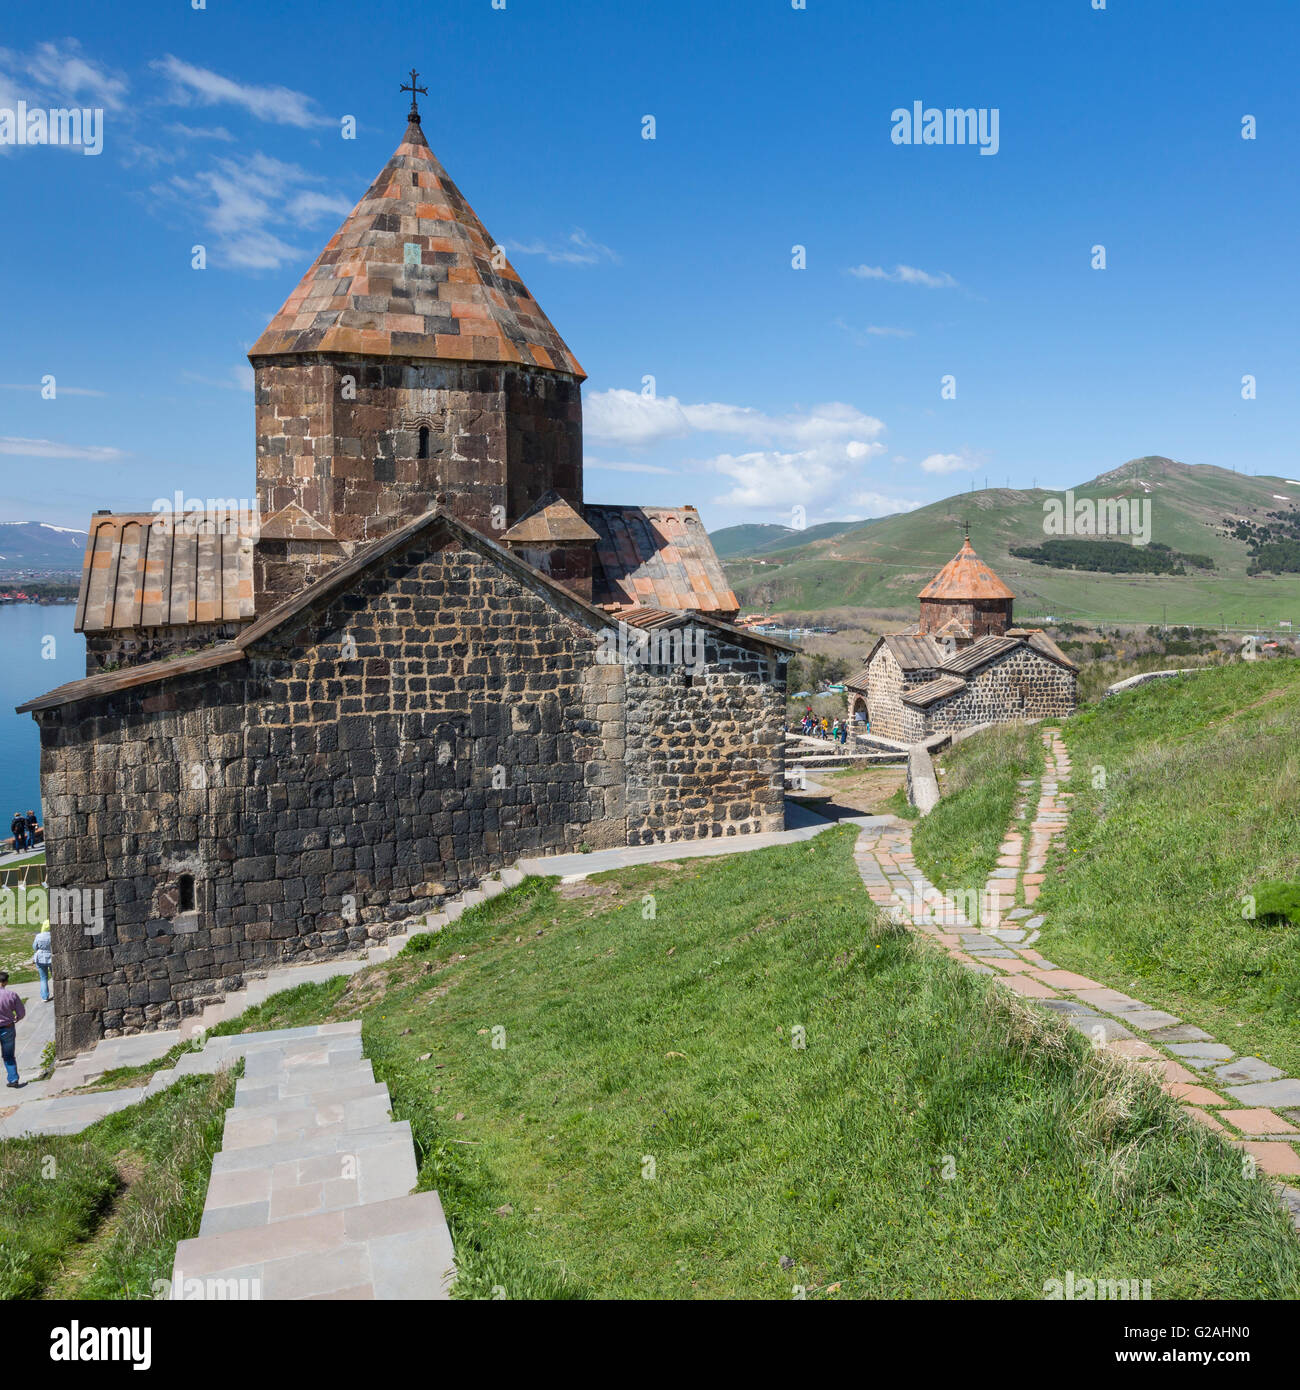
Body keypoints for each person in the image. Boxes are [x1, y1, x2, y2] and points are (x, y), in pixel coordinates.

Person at [0, 970, 26, 1087]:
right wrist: (16, 1018)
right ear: (6, 982)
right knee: (9, 1055)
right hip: (7, 1027)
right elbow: (21, 1012)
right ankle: (13, 1079)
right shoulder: (11, 995)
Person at [31, 926, 52, 1003]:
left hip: (40, 958)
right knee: (55, 976)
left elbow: (34, 947)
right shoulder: (53, 935)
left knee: (43, 978)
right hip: (51, 957)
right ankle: (59, 993)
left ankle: (45, 997)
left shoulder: (38, 936)